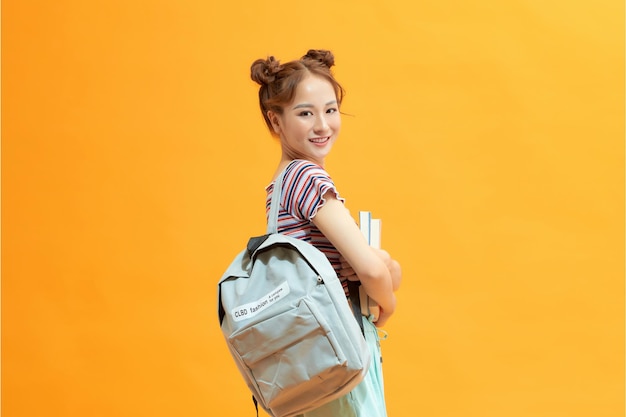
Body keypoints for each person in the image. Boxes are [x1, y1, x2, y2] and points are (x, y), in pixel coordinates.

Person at [250, 49, 402, 417]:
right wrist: (388, 305)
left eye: (331, 110)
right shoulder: (307, 177)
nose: (322, 125)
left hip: (310, 364)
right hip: (338, 352)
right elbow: (372, 271)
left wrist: (379, 266)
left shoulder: (281, 184)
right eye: (305, 113)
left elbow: (374, 267)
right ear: (275, 121)